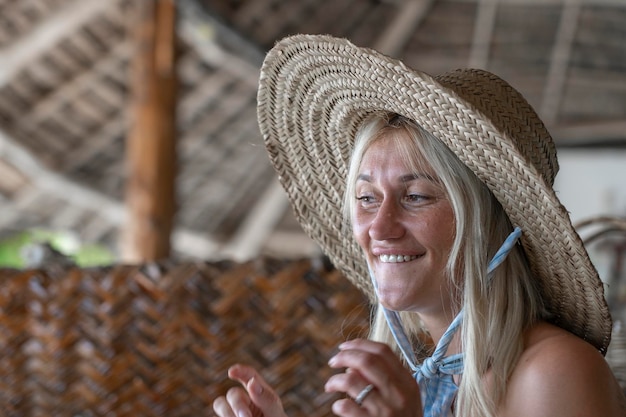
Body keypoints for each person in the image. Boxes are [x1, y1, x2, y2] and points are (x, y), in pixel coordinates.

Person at [213, 34, 626, 417]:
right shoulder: (428, 381)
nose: (379, 227)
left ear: (492, 227)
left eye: (415, 197)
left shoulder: (553, 373)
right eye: (366, 199)